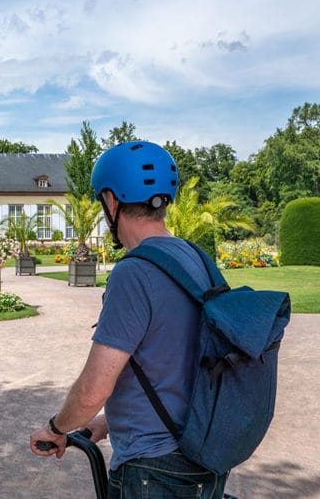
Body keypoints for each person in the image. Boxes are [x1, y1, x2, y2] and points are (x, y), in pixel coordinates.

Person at [29, 141, 229, 498]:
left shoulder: (134, 273)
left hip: (154, 470)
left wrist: (56, 427)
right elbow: (177, 363)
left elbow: (94, 388)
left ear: (111, 200)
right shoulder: (198, 261)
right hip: (204, 460)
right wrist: (108, 423)